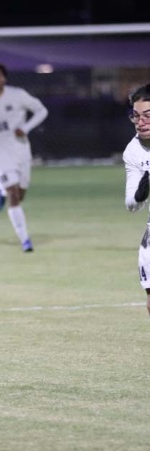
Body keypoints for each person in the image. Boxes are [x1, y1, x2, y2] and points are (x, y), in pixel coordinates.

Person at [0, 63, 48, 252]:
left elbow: (41, 110)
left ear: (4, 78)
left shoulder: (18, 95)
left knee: (20, 194)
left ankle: (1, 190)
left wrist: (25, 128)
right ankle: (25, 240)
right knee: (13, 194)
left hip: (20, 149)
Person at [123, 83, 150, 315]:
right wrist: (141, 193)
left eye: (148, 116)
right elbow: (131, 205)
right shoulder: (133, 151)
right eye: (136, 116)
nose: (141, 122)